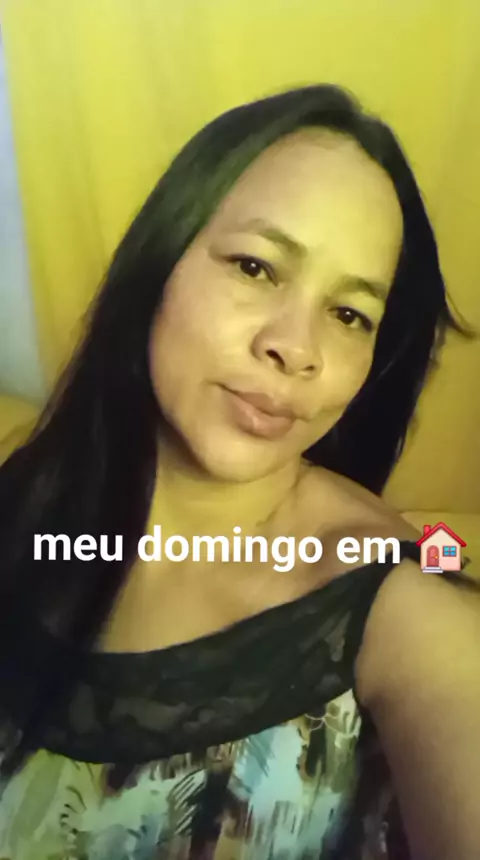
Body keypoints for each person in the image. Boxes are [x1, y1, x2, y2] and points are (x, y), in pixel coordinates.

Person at [0, 83, 478, 860]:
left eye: (349, 314)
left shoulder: (402, 613)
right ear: (160, 261)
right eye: (256, 267)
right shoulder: (33, 491)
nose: (297, 347)